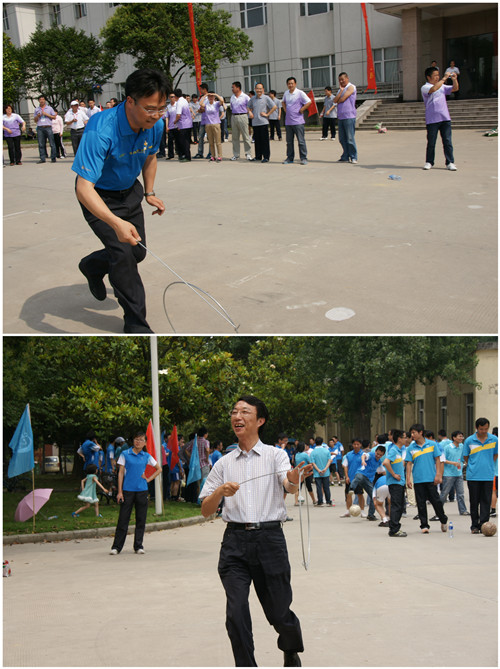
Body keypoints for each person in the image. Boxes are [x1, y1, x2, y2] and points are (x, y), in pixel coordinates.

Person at [199, 395, 312, 667]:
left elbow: (288, 484)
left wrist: (294, 479)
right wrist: (220, 492)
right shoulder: (224, 463)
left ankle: (290, 649)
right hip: (234, 543)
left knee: (279, 612)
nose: (237, 416)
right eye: (234, 412)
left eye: (245, 412)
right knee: (235, 614)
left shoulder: (275, 455)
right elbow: (205, 509)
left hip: (270, 540)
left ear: (260, 420)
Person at [73, 68, 168, 334]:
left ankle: (92, 266)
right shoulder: (100, 130)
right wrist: (115, 222)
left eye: (161, 108)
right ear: (130, 101)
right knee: (124, 255)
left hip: (129, 191)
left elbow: (150, 156)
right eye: (150, 108)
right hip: (99, 196)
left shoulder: (155, 125)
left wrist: (149, 193)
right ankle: (136, 325)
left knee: (137, 251)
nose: (156, 115)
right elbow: (84, 188)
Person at [110, 430, 161, 554]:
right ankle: (116, 547)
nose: (138, 442)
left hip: (142, 491)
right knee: (123, 519)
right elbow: (120, 473)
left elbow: (159, 469)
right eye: (136, 439)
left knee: (141, 519)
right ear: (133, 441)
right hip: (127, 491)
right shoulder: (125, 454)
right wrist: (120, 491)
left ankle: (138, 546)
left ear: (145, 443)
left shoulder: (146, 456)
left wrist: (148, 479)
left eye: (141, 440)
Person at [405, 423, 448, 534]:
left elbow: (438, 459)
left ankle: (443, 520)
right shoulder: (411, 448)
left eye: (414, 432)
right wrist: (408, 479)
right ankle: (424, 525)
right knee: (421, 503)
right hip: (418, 479)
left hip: (431, 478)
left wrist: (438, 474)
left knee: (436, 501)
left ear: (421, 433)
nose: (412, 435)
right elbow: (408, 464)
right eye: (411, 433)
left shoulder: (432, 444)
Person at [463, 417, 498, 534]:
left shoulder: (494, 439)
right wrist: (473, 465)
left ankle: (484, 524)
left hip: (488, 475)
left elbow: (495, 455)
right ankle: (474, 525)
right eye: (481, 429)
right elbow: (466, 456)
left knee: (486, 501)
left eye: (486, 429)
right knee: (474, 501)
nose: (484, 431)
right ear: (476, 428)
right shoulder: (469, 440)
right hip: (473, 475)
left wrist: (488, 464)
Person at [421, 65, 458, 171]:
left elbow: (455, 88)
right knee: (431, 142)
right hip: (432, 119)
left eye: (438, 75)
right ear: (429, 77)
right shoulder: (425, 87)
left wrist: (454, 80)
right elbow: (433, 89)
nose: (437, 77)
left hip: (445, 118)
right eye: (435, 75)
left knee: (447, 141)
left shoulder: (442, 86)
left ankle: (450, 162)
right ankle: (429, 162)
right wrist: (444, 78)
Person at [346, 445, 386, 520]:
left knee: (373, 496)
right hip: (361, 473)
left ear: (383, 455)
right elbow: (364, 456)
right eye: (377, 454)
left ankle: (371, 515)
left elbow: (383, 471)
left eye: (380, 455)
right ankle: (351, 488)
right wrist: (363, 461)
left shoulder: (379, 462)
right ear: (375, 452)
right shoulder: (371, 455)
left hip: (369, 480)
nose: (378, 456)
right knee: (359, 477)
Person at [282, 77, 311, 165]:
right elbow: (283, 102)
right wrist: (285, 110)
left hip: (298, 122)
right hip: (288, 122)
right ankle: (290, 158)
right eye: (289, 83)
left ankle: (303, 158)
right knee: (289, 142)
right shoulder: (286, 93)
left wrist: (302, 109)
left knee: (301, 141)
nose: (290, 85)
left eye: (292, 83)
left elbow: (309, 102)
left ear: (295, 84)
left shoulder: (300, 93)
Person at [383, 429, 407, 537]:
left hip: (400, 482)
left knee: (399, 506)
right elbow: (386, 462)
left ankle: (395, 528)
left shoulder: (399, 450)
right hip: (395, 482)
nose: (406, 439)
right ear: (399, 439)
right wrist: (394, 474)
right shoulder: (394, 450)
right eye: (404, 437)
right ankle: (394, 530)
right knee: (396, 506)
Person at [439, 430, 469, 516]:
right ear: (454, 438)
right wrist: (453, 463)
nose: (461, 438)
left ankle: (463, 510)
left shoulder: (462, 446)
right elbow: (443, 459)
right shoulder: (447, 447)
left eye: (462, 436)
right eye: (459, 436)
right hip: (448, 474)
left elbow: (463, 458)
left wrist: (464, 463)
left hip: (458, 473)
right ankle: (439, 511)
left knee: (460, 493)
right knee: (444, 493)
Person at [247, 83, 276, 163]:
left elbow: (274, 107)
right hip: (255, 122)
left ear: (263, 89)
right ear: (255, 89)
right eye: (257, 88)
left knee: (264, 141)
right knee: (257, 141)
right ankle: (258, 156)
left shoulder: (266, 98)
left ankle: (266, 157)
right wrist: (250, 112)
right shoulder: (253, 99)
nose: (259, 90)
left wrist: (267, 114)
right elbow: (248, 106)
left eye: (260, 89)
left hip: (263, 122)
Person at [334, 72, 357, 163]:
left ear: (347, 78)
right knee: (342, 138)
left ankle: (353, 156)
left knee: (350, 138)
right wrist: (340, 92)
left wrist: (339, 97)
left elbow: (342, 99)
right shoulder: (340, 89)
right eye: (339, 80)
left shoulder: (351, 87)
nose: (341, 81)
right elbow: (335, 100)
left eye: (342, 79)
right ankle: (345, 156)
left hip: (349, 116)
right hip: (341, 117)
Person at [229, 81, 253, 161]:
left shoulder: (245, 97)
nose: (232, 89)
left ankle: (248, 154)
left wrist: (249, 113)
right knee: (235, 137)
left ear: (238, 88)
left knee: (245, 136)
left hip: (243, 116)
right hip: (234, 116)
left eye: (233, 87)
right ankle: (236, 154)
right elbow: (231, 107)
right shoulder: (232, 97)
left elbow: (250, 106)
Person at [340, 438, 364, 517]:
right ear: (352, 445)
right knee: (348, 494)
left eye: (358, 444)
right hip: (350, 478)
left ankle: (362, 511)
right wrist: (346, 476)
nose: (356, 446)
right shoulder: (348, 455)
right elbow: (345, 466)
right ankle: (348, 511)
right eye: (354, 444)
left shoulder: (363, 455)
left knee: (360, 494)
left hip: (359, 478)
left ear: (360, 445)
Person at [199, 92, 225, 162]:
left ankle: (219, 156)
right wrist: (205, 95)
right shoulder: (206, 104)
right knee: (211, 142)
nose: (211, 98)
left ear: (214, 97)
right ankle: (213, 156)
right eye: (209, 97)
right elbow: (200, 103)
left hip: (216, 124)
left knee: (218, 141)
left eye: (212, 96)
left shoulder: (216, 104)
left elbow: (222, 101)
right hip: (208, 124)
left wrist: (216, 94)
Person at [33, 95, 57, 163]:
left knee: (52, 143)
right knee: (41, 144)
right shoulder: (37, 109)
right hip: (40, 128)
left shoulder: (49, 108)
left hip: (48, 127)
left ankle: (53, 157)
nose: (42, 101)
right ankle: (42, 158)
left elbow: (54, 117)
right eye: (40, 99)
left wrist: (46, 114)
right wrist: (38, 116)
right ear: (39, 101)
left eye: (43, 99)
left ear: (45, 100)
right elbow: (35, 120)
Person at [310, 436, 333, 506]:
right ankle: (328, 501)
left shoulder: (313, 452)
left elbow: (313, 463)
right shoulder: (326, 451)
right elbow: (329, 460)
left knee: (319, 487)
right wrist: (325, 469)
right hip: (326, 472)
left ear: (315, 442)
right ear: (322, 442)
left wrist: (318, 470)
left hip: (317, 473)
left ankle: (320, 501)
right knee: (326, 487)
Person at [173, 89, 193, 161]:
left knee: (183, 141)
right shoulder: (184, 100)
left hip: (183, 124)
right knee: (187, 140)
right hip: (188, 123)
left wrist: (175, 121)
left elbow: (178, 115)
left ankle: (187, 156)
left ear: (175, 96)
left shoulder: (179, 103)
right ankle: (187, 155)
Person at [193, 82, 210, 159]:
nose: (200, 91)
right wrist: (202, 109)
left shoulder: (209, 98)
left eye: (201, 89)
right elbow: (200, 109)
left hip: (209, 120)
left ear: (205, 89)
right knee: (200, 137)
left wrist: (203, 109)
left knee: (209, 138)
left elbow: (207, 108)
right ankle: (200, 152)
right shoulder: (202, 98)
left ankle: (210, 153)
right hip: (202, 120)